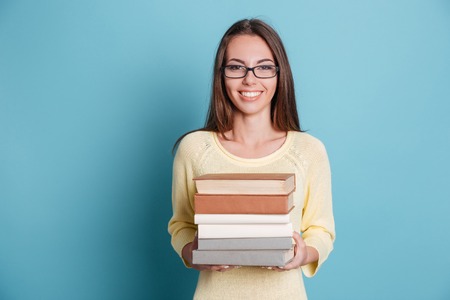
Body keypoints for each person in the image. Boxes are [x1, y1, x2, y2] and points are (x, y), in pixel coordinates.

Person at [168, 18, 335, 299]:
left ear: (280, 75)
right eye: (236, 67)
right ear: (221, 75)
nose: (250, 79)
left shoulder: (309, 151)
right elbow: (181, 226)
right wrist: (195, 253)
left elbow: (322, 229)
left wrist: (305, 252)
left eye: (264, 67)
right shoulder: (194, 148)